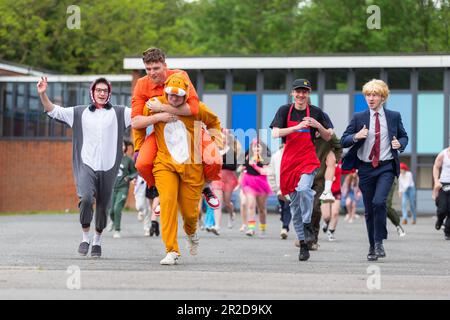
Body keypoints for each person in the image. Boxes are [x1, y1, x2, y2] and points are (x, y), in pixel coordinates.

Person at [132, 73, 222, 265]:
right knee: (168, 202)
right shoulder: (155, 103)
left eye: (178, 96)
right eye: (170, 95)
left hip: (192, 167)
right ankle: (171, 250)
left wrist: (214, 143)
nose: (173, 98)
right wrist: (157, 116)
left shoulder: (196, 109)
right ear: (165, 92)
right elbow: (136, 122)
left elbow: (214, 122)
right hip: (165, 165)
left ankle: (191, 233)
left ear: (186, 94)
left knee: (190, 215)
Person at [37, 76, 131, 258]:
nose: (102, 93)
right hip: (86, 164)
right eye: (98, 90)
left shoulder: (120, 113)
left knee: (103, 207)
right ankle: (85, 237)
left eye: (105, 90)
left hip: (109, 166)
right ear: (92, 92)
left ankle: (97, 240)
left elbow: (142, 113)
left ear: (109, 93)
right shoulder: (79, 112)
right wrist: (42, 94)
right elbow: (53, 110)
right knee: (86, 199)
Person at [131, 47, 219, 212]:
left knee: (214, 158)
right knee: (142, 163)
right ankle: (161, 192)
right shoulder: (141, 85)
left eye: (156, 68)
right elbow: (136, 122)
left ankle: (206, 187)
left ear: (165, 65)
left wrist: (162, 108)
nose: (152, 73)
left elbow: (192, 109)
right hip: (161, 133)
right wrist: (158, 117)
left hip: (188, 129)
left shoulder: (180, 76)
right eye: (148, 69)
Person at [341, 79, 408, 261]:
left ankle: (379, 242)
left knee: (380, 202)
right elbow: (343, 140)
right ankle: (372, 246)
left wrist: (399, 144)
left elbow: (404, 136)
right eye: (368, 95)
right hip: (365, 168)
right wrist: (356, 136)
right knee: (370, 209)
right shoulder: (358, 117)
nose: (371, 98)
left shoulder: (393, 116)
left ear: (383, 97)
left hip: (386, 166)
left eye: (375, 95)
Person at [270, 78, 331, 261]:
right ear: (292, 93)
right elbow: (274, 133)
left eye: (304, 91)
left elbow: (328, 136)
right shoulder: (283, 110)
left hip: (307, 159)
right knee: (295, 208)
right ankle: (303, 244)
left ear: (309, 93)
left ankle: (307, 224)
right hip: (289, 161)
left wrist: (317, 125)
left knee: (304, 189)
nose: (301, 95)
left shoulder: (316, 112)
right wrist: (297, 127)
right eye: (298, 91)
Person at [309, 112, 342, 249]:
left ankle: (313, 239)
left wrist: (334, 158)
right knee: (302, 208)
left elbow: (339, 146)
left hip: (320, 178)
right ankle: (303, 236)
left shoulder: (328, 135)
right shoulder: (303, 134)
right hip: (303, 175)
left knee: (316, 208)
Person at [209, 129, 242, 234]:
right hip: (217, 178)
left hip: (228, 178)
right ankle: (217, 226)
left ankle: (231, 214)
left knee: (227, 202)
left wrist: (220, 162)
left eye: (224, 138)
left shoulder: (230, 151)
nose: (222, 140)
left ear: (227, 140)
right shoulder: (214, 150)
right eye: (221, 138)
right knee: (218, 202)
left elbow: (233, 166)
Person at [240, 140, 272, 237]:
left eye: (258, 146)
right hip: (249, 183)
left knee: (261, 208)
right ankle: (251, 228)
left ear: (262, 148)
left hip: (261, 184)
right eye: (254, 147)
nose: (256, 148)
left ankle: (262, 228)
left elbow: (264, 172)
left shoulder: (265, 159)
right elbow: (242, 168)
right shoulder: (247, 157)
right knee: (250, 205)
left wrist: (254, 165)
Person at [107, 141, 138, 239]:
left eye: (123, 145)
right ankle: (113, 220)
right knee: (111, 210)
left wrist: (129, 177)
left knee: (117, 208)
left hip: (123, 187)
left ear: (125, 147)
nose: (121, 146)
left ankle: (117, 230)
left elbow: (135, 172)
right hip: (113, 188)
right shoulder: (112, 159)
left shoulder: (128, 160)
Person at [268, 142, 292, 239]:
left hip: (291, 187)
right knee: (283, 207)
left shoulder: (294, 155)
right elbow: (271, 173)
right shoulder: (276, 156)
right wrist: (275, 188)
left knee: (287, 206)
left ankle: (285, 227)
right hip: (280, 187)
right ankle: (283, 219)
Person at [321, 161, 342, 241]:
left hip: (336, 191)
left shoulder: (340, 162)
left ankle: (331, 231)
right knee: (326, 216)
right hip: (325, 191)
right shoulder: (324, 161)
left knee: (335, 213)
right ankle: (326, 222)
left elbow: (351, 172)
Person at [432, 146, 450, 240]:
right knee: (442, 209)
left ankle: (447, 232)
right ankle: (439, 220)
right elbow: (436, 167)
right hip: (443, 184)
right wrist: (436, 181)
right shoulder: (443, 154)